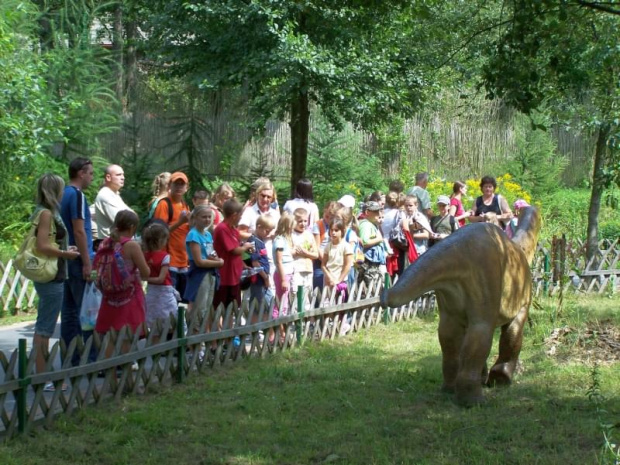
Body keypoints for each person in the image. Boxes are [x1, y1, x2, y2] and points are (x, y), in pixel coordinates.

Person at [31, 174, 80, 389]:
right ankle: (41, 377)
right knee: (45, 327)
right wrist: (64, 254)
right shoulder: (46, 214)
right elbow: (42, 245)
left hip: (54, 274)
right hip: (51, 276)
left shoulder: (48, 212)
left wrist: (62, 250)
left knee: (45, 325)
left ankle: (41, 374)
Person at [94, 210, 150, 356]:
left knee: (111, 337)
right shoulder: (131, 245)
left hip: (109, 297)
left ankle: (110, 373)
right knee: (128, 336)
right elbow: (146, 273)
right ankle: (127, 372)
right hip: (129, 296)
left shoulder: (105, 243)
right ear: (132, 227)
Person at [60, 157, 95, 365]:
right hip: (79, 258)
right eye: (90, 173)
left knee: (70, 312)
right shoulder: (77, 196)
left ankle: (70, 358)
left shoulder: (62, 194)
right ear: (81, 173)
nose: (92, 177)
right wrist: (87, 262)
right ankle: (92, 359)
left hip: (65, 259)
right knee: (88, 310)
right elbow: (79, 230)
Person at [212, 199, 254, 313]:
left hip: (234, 277)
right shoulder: (222, 229)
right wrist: (245, 246)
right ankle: (218, 328)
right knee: (220, 308)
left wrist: (243, 265)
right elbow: (234, 250)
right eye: (240, 215)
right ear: (235, 215)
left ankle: (229, 328)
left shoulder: (233, 230)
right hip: (225, 277)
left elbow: (237, 253)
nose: (241, 218)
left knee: (232, 309)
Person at [153, 171, 190, 297]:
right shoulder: (164, 204)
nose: (179, 187)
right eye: (176, 184)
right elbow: (159, 232)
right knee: (169, 300)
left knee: (182, 302)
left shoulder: (185, 206)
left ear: (186, 188)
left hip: (184, 262)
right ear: (170, 186)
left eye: (182, 184)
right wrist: (180, 222)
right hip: (169, 262)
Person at [184, 205, 224, 322]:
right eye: (203, 217)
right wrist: (218, 263)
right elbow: (199, 261)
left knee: (206, 307)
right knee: (199, 307)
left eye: (209, 217)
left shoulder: (208, 235)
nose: (207, 219)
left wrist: (217, 259)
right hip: (199, 274)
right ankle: (194, 335)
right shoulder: (193, 235)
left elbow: (210, 254)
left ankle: (201, 334)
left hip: (210, 272)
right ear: (195, 218)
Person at [142, 221, 178, 336]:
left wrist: (145, 278)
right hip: (164, 291)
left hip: (151, 291)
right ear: (160, 241)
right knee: (171, 319)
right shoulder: (164, 256)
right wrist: (147, 278)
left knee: (154, 321)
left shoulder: (144, 255)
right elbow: (161, 279)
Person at [321, 217, 354, 334]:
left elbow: (347, 265)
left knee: (340, 304)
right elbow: (323, 265)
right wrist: (329, 277)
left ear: (342, 231)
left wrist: (338, 280)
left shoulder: (346, 246)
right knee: (327, 303)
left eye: (336, 230)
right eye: (331, 230)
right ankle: (328, 326)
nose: (333, 232)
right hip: (328, 279)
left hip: (341, 281)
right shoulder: (328, 246)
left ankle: (343, 325)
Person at [271, 213, 295, 344]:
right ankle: (280, 333)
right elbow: (279, 261)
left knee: (284, 304)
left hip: (288, 273)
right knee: (281, 305)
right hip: (282, 274)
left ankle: (281, 332)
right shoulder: (279, 240)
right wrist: (283, 279)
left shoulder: (285, 240)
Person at [94, 164, 134, 241]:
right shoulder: (105, 195)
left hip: (118, 243)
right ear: (108, 177)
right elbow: (125, 222)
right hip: (111, 246)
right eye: (118, 175)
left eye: (123, 175)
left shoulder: (114, 194)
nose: (123, 177)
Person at [291, 208, 318, 311]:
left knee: (307, 294)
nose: (303, 224)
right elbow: (288, 252)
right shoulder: (291, 234)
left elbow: (315, 254)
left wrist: (305, 252)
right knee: (295, 293)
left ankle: (306, 321)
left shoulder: (309, 235)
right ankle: (295, 319)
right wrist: (295, 251)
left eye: (305, 221)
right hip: (296, 268)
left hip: (308, 269)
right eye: (300, 221)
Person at [356, 201, 388, 291]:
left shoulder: (372, 224)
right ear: (367, 212)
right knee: (372, 290)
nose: (378, 214)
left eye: (378, 211)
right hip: (368, 265)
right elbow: (364, 243)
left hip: (372, 264)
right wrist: (379, 239)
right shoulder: (366, 225)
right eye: (375, 212)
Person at [248, 214, 276, 312]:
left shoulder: (261, 241)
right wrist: (265, 277)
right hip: (258, 279)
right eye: (267, 231)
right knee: (258, 306)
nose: (268, 234)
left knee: (269, 304)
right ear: (259, 227)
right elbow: (255, 262)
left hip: (263, 278)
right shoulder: (253, 241)